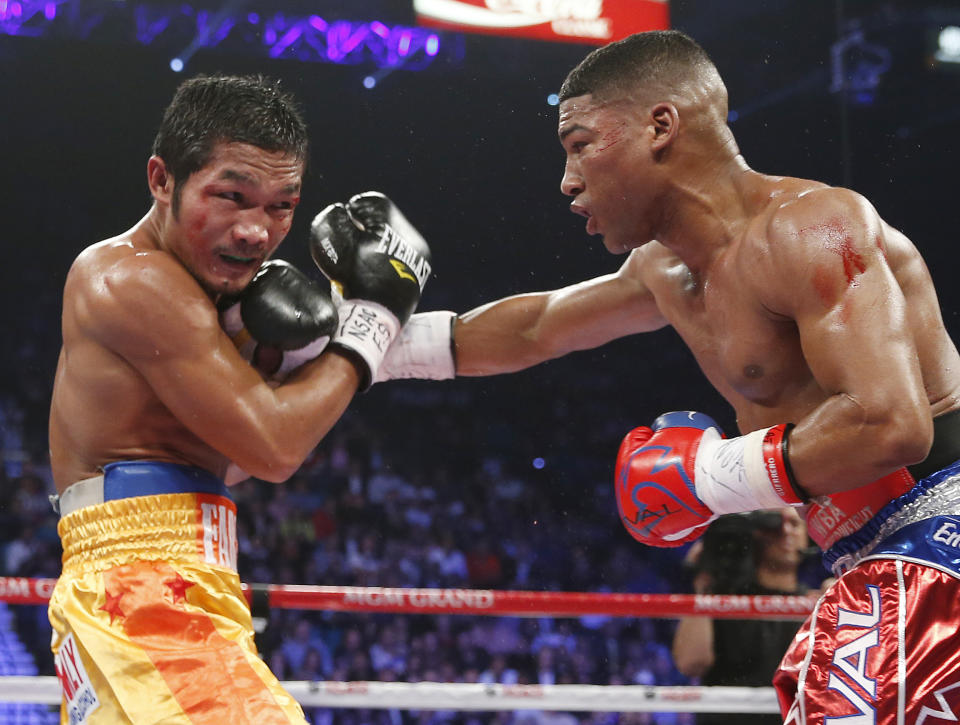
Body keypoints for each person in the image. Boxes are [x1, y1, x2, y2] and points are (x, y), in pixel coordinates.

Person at [374, 29, 960, 723]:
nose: (567, 179)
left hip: (938, 535)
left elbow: (891, 422)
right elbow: (537, 326)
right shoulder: (664, 271)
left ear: (660, 126)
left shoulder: (810, 229)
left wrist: (709, 476)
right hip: (871, 555)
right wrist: (356, 344)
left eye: (580, 142)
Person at [47, 73, 432, 723]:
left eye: (281, 206)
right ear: (161, 179)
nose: (257, 230)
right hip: (145, 592)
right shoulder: (133, 279)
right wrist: (371, 322)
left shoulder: (217, 305)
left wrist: (632, 293)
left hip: (162, 583)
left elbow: (457, 342)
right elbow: (277, 445)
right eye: (232, 196)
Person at [671, 509, 810, 724]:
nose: (785, 531)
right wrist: (704, 583)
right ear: (753, 534)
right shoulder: (721, 600)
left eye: (794, 523)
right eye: (772, 524)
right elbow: (691, 663)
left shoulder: (817, 605)